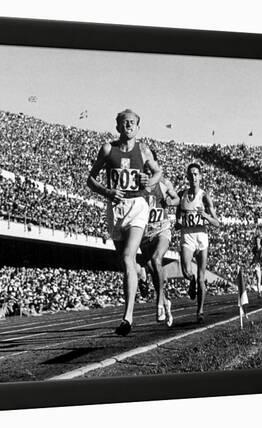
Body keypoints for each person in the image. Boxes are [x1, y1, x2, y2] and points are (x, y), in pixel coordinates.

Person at [87, 109, 162, 336]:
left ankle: (127, 317)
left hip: (137, 206)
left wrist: (148, 182)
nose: (128, 125)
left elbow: (158, 172)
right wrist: (107, 191)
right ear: (118, 127)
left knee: (128, 256)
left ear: (138, 127)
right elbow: (90, 179)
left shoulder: (144, 150)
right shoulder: (109, 149)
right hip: (115, 209)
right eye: (124, 122)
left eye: (132, 122)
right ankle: (140, 272)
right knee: (124, 261)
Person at [175, 163, 220, 323]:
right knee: (186, 270)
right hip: (187, 235)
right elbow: (177, 218)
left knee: (202, 277)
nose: (193, 177)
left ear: (200, 177)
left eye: (196, 174)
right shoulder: (182, 195)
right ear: (187, 177)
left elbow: (217, 223)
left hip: (201, 236)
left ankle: (200, 311)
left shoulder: (205, 196)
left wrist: (206, 216)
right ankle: (190, 280)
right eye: (191, 174)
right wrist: (178, 222)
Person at [139, 149, 179, 327]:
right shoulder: (138, 182)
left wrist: (171, 201)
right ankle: (165, 300)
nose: (147, 167)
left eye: (150, 163)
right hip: (145, 233)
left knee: (157, 259)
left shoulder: (163, 182)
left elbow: (177, 198)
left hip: (162, 229)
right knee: (152, 270)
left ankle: (159, 304)